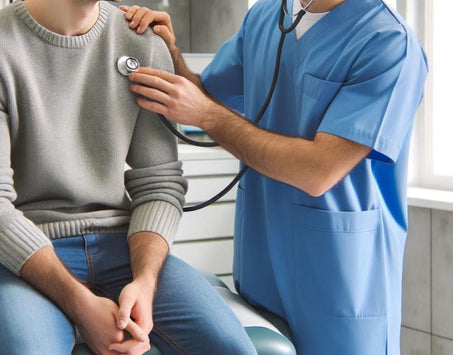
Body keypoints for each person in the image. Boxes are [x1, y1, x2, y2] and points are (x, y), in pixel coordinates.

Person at [0, 0, 257, 354]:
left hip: (123, 247)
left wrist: (144, 281)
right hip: (24, 257)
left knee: (234, 349)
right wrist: (81, 305)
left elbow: (159, 183)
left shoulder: (142, 43)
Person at [122, 0, 428, 354]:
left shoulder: (388, 43)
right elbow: (205, 98)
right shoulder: (266, 17)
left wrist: (208, 116)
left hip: (340, 284)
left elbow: (318, 171)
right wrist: (168, 50)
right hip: (261, 272)